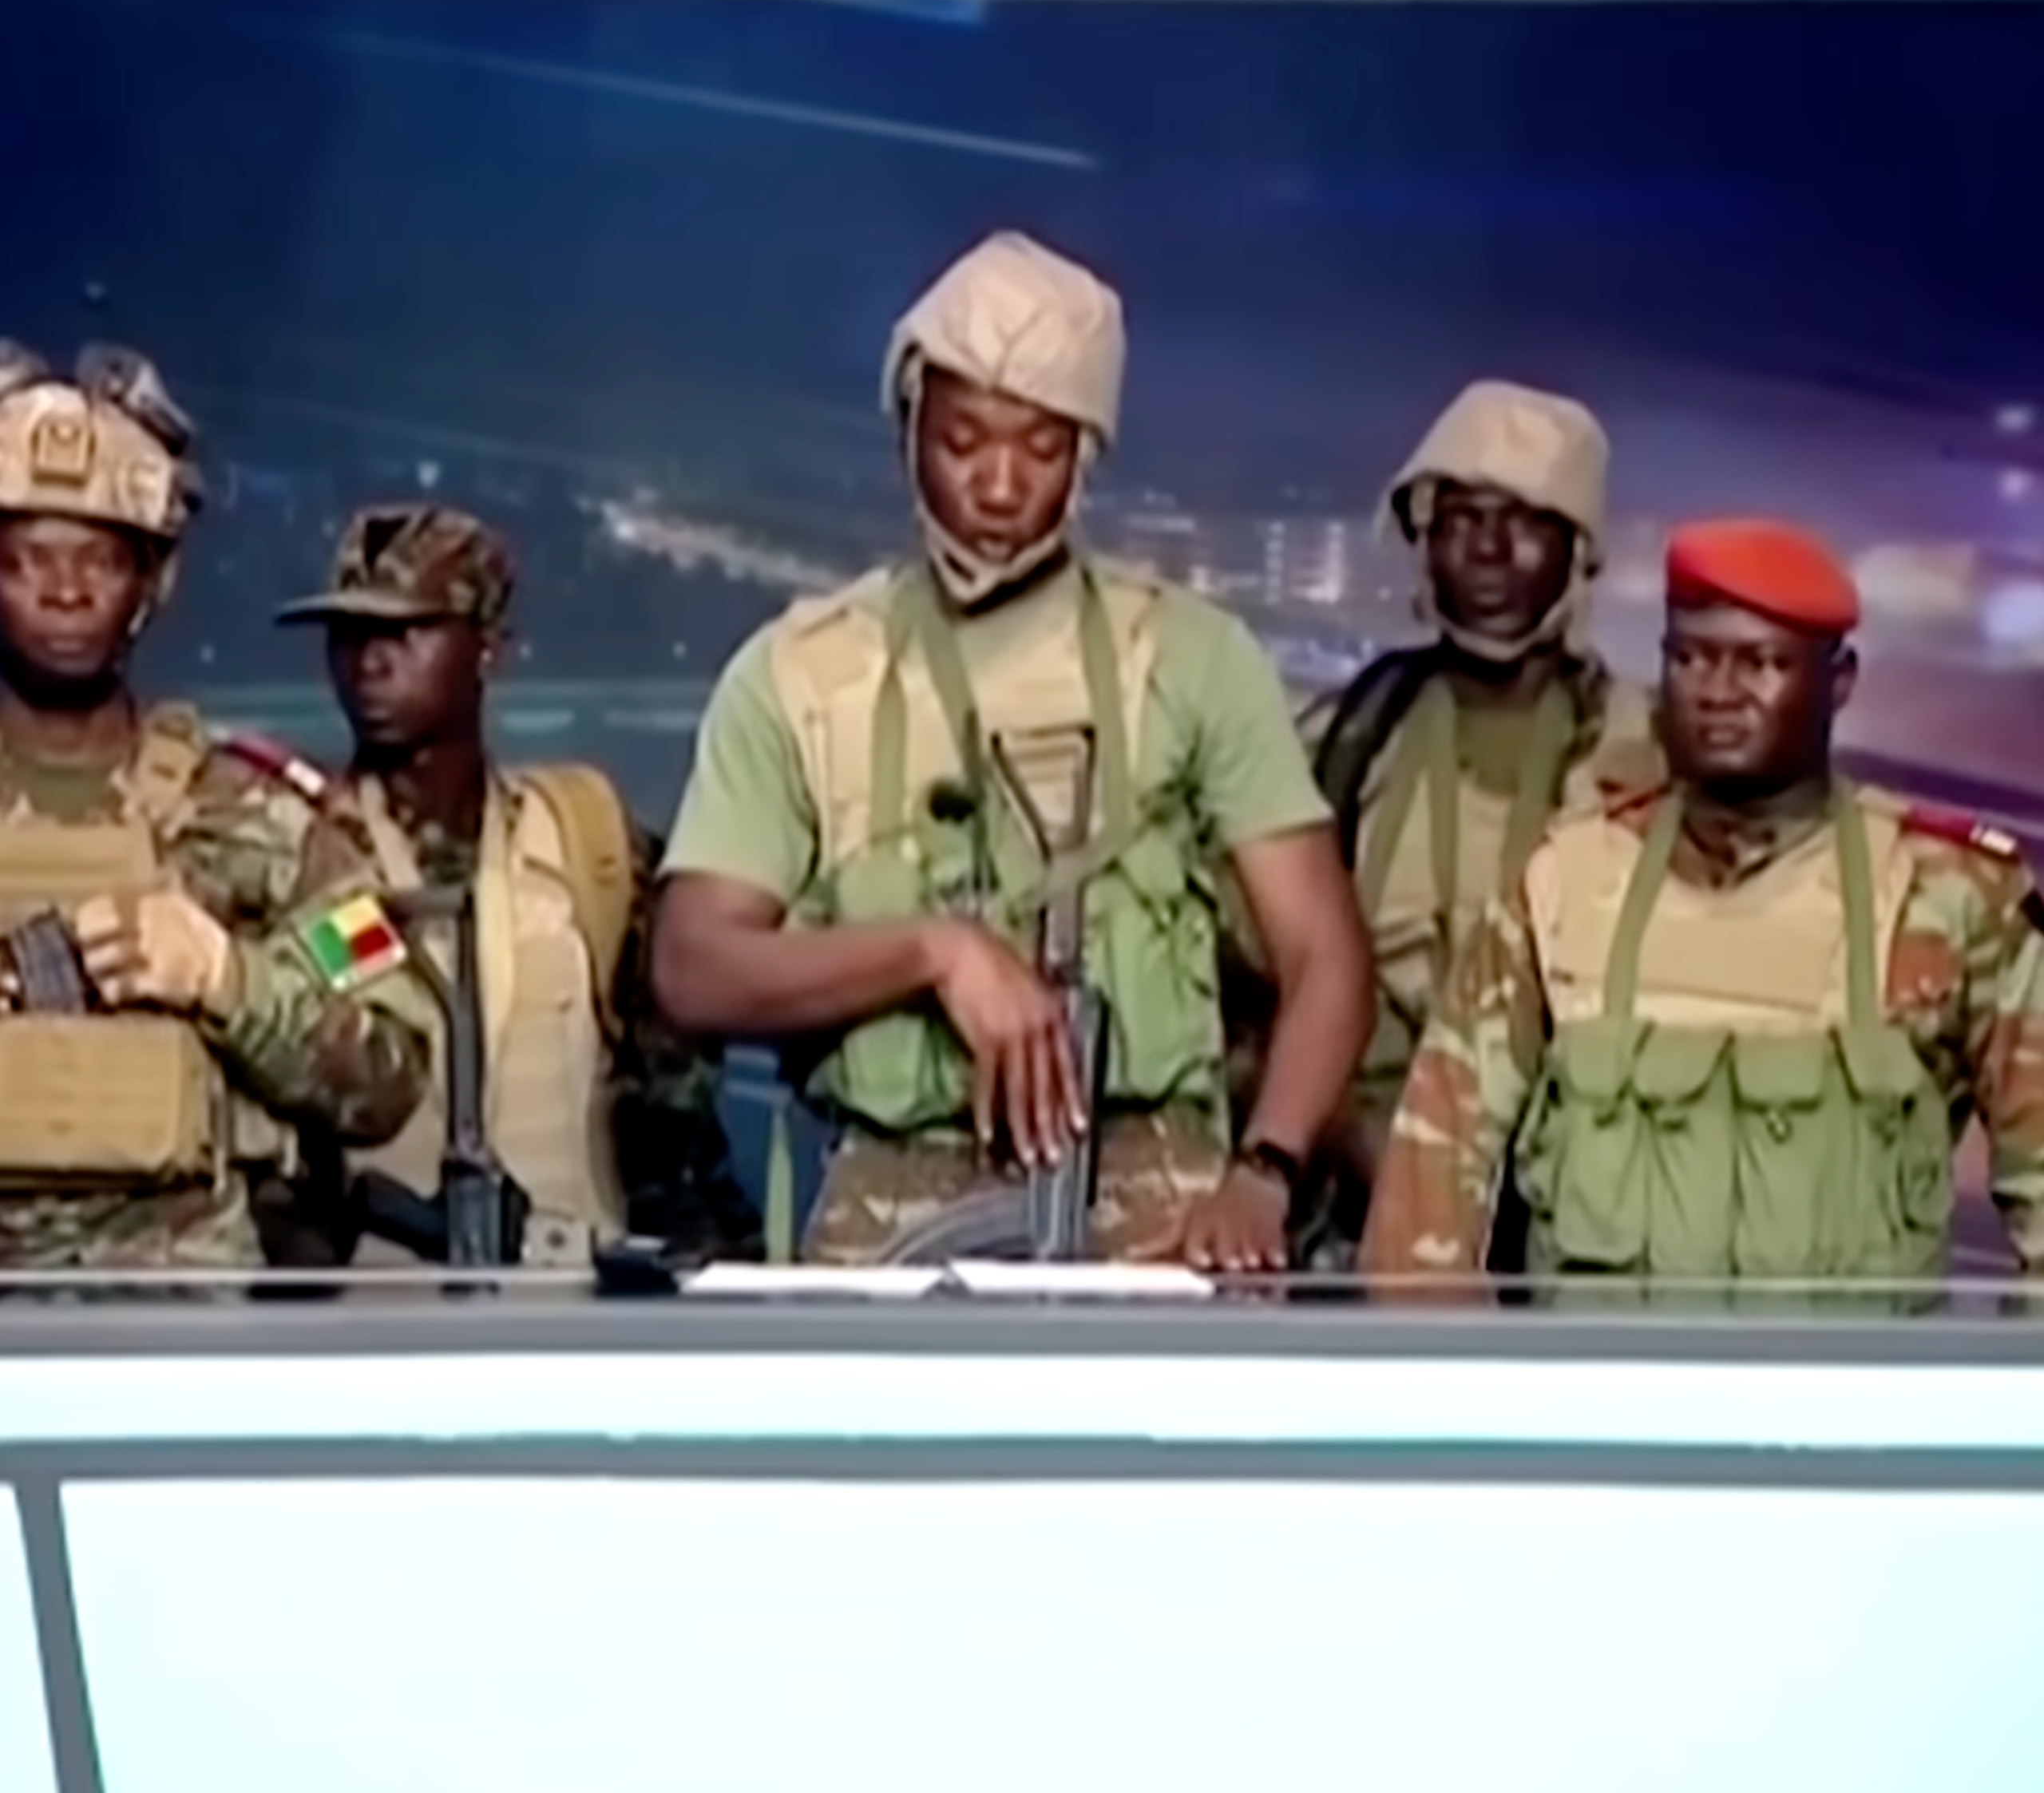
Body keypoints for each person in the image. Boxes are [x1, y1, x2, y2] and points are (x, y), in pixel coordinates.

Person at [655, 231, 1371, 1268]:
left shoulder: (1190, 657)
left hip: (1155, 1191)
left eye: (1039, 449)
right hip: (889, 1190)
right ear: (909, 429)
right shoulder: (798, 676)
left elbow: (1325, 955)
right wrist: (933, 951)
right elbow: (693, 968)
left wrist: (1264, 1172)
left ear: (1084, 455)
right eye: (962, 441)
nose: (997, 486)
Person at [1359, 517, 2044, 1293]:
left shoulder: (1951, 897)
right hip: (1601, 1367)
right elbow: (1426, 1195)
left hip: (1848, 1372)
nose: (1718, 693)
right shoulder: (1565, 884)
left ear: (1840, 681)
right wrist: (1453, 1364)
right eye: (1690, 658)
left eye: (1761, 664)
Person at [0, 341, 434, 1269]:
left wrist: (226, 978)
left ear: (152, 583)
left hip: (182, 1315)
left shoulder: (258, 819)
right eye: (28, 560)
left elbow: (392, 1070)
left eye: (101, 560)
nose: (66, 591)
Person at [1228, 382, 1659, 1259]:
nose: (1489, 551)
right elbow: (1245, 974)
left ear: (1576, 549)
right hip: (1350, 1204)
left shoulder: (1650, 754)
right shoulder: (1349, 738)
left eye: (1524, 523)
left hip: (1581, 1212)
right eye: (1461, 520)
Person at [275, 505, 759, 1266]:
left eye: (407, 630)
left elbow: (674, 1120)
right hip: (369, 1311)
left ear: (489, 649)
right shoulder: (291, 854)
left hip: (573, 1306)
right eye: (349, 634)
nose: (370, 661)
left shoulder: (587, 845)